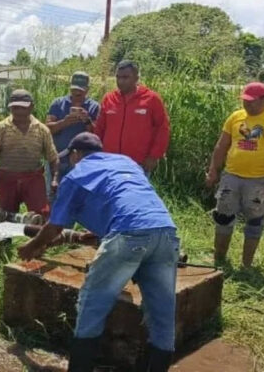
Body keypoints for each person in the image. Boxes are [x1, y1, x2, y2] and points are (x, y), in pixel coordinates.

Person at [18, 132, 179, 372]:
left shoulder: (76, 176)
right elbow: (127, 200)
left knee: (92, 304)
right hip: (166, 233)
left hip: (127, 235)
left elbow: (54, 226)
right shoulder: (126, 163)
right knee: (163, 315)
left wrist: (31, 247)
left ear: (75, 155)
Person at [205, 82, 264, 268]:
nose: (247, 105)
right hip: (231, 177)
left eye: (251, 102)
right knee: (223, 217)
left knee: (254, 221)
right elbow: (221, 146)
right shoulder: (235, 117)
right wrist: (213, 170)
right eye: (244, 101)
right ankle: (219, 259)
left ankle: (246, 265)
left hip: (259, 181)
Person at [0, 89, 59, 257]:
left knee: (41, 215)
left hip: (33, 178)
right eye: (14, 108)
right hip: (6, 178)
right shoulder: (0, 128)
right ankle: (3, 253)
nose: (18, 112)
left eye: (22, 108)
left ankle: (39, 250)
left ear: (31, 107)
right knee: (4, 216)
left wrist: (54, 179)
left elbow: (53, 158)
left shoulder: (41, 130)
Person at [95, 60, 170, 174]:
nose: (120, 81)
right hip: (109, 161)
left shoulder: (151, 99)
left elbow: (163, 128)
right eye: (118, 77)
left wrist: (154, 156)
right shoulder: (109, 99)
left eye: (125, 77)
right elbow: (99, 128)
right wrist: (96, 152)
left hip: (137, 164)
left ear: (136, 78)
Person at [45, 71, 100, 186]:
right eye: (74, 89)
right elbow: (47, 129)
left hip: (81, 161)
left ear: (87, 90)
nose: (77, 92)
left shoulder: (94, 106)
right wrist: (64, 123)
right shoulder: (58, 103)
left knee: (77, 196)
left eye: (80, 89)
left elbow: (97, 134)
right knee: (54, 195)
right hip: (58, 159)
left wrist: (87, 121)